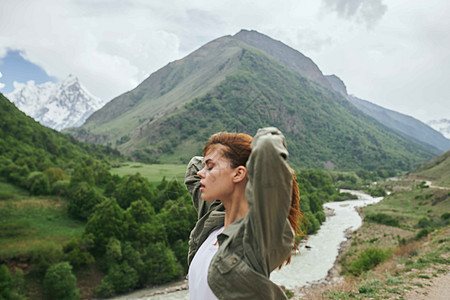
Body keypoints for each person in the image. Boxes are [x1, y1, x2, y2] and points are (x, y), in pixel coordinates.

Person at [185, 127, 302, 299]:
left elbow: (268, 145)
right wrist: (218, 148)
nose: (200, 173)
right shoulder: (213, 220)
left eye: (210, 167)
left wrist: (246, 156)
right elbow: (193, 166)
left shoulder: (257, 236)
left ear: (239, 173)